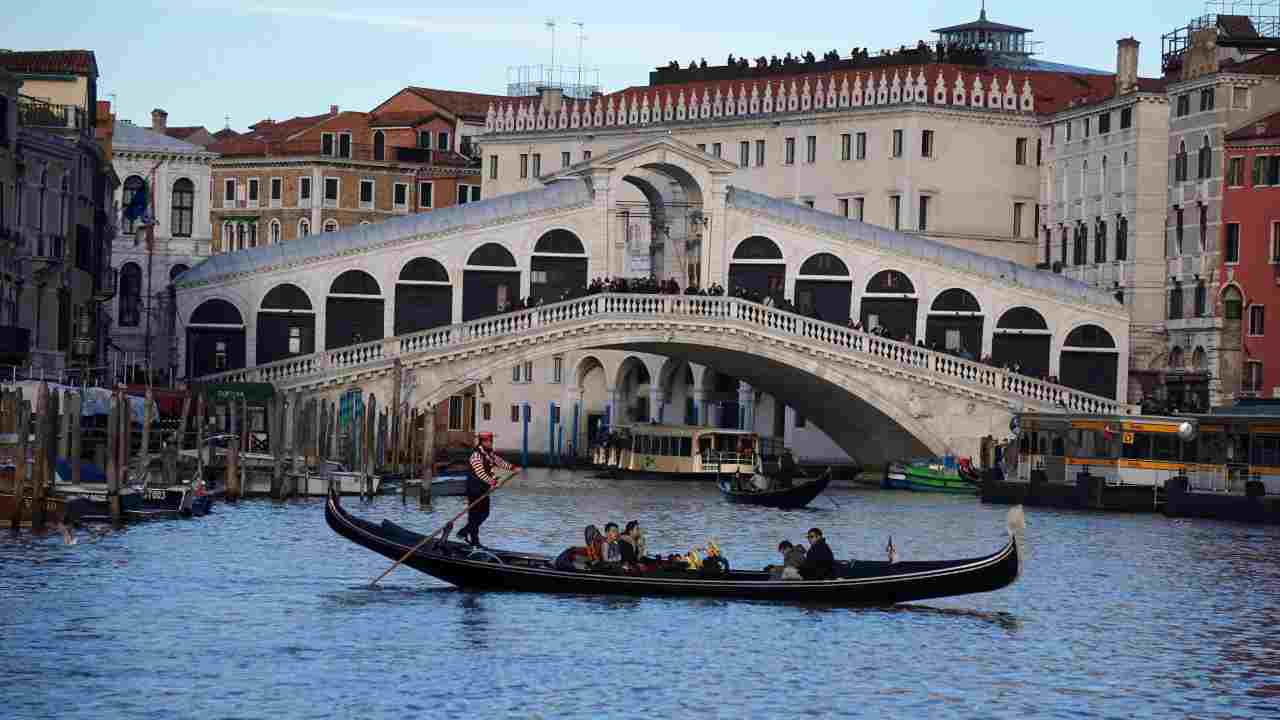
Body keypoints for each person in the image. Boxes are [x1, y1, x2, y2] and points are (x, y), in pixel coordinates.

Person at [456, 431, 519, 547]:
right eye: (488, 441)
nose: (490, 443)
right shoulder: (476, 455)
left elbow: (499, 462)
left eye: (491, 441)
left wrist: (512, 467)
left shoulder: (489, 453)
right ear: (482, 442)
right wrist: (492, 481)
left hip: (483, 489)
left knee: (484, 514)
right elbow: (480, 473)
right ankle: (474, 541)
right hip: (474, 489)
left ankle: (464, 532)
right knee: (474, 515)